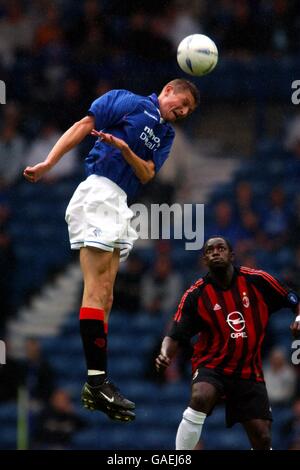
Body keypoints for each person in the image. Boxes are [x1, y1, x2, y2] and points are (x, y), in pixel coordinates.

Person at [23, 79, 199, 423]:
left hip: (120, 203)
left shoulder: (167, 135)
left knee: (107, 299)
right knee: (97, 289)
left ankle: (96, 383)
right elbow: (83, 125)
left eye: (189, 110)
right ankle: (97, 381)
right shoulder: (127, 101)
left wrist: (126, 149)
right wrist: (48, 164)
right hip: (98, 192)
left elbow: (147, 173)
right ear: (168, 90)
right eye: (184, 102)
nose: (184, 111)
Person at [156, 236, 300, 450]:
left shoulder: (257, 280)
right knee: (200, 396)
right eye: (210, 250)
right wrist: (165, 353)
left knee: (263, 437)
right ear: (204, 259)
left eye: (221, 248)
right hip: (212, 366)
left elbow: (294, 300)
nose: (215, 252)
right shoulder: (195, 295)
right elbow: (175, 333)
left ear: (231, 255)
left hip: (248, 371)